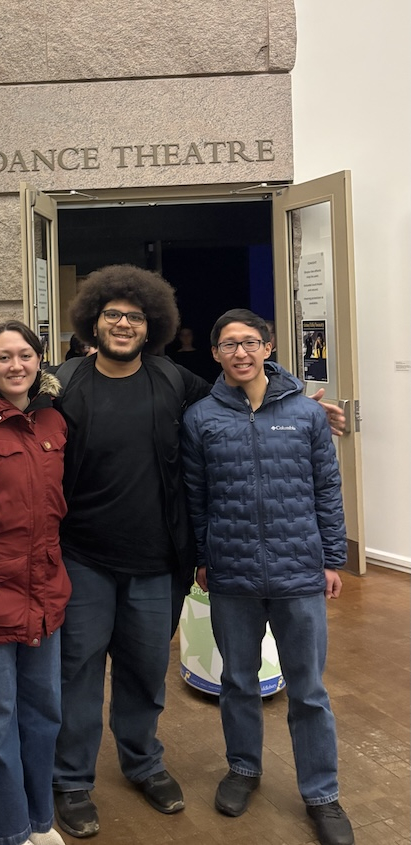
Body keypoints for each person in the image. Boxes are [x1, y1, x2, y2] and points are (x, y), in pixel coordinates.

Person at [49, 264, 346, 839]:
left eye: (134, 316)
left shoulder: (173, 380)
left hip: (156, 563)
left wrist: (307, 407)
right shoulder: (64, 384)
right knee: (78, 673)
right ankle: (72, 780)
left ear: (152, 323)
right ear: (92, 321)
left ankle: (143, 764)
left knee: (143, 673)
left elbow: (243, 389)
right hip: (82, 558)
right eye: (112, 314)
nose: (123, 324)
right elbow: (14, 408)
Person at [180, 309, 354, 845]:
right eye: (229, 344)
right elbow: (196, 495)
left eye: (250, 342)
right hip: (232, 573)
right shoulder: (201, 418)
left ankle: (322, 794)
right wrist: (204, 557)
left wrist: (330, 558)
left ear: (269, 346)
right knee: (238, 681)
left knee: (308, 690)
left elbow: (327, 487)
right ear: (215, 354)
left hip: (299, 571)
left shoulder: (304, 414)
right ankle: (244, 769)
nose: (241, 353)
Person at [0, 320, 73, 845]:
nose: (16, 366)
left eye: (25, 355)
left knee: (44, 715)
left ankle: (38, 822)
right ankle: (2, 831)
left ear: (40, 360)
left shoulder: (53, 422)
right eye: (3, 357)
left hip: (44, 594)